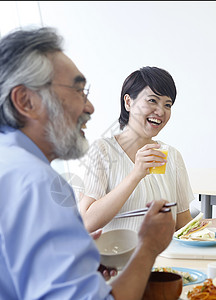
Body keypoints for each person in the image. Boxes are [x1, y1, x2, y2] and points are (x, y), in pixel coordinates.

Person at [0, 26, 175, 300]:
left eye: (168, 104)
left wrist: (79, 257)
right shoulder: (35, 182)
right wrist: (149, 247)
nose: (90, 107)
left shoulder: (11, 164)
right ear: (26, 101)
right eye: (78, 90)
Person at [79, 66, 194, 234]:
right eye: (152, 100)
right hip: (117, 259)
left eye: (167, 105)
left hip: (164, 259)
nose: (161, 111)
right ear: (128, 102)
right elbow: (86, 222)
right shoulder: (102, 150)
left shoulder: (172, 156)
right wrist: (136, 174)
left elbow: (184, 225)